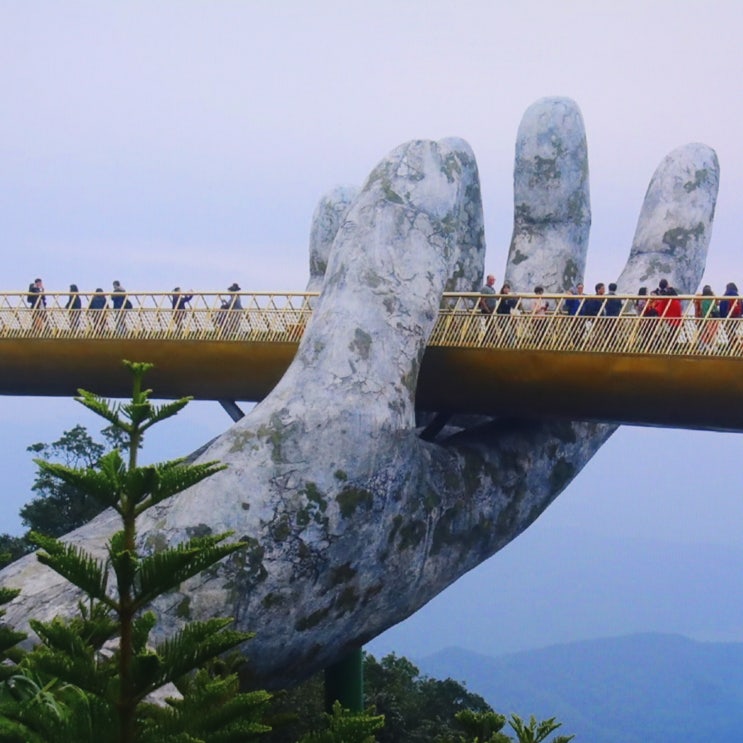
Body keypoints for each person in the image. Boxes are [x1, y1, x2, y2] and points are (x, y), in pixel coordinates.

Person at [694, 284, 719, 348]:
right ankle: (711, 345)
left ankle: (703, 345)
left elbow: (698, 309)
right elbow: (716, 306)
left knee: (703, 332)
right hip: (713, 319)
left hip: (702, 318)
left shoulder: (701, 299)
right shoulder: (713, 299)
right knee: (711, 333)